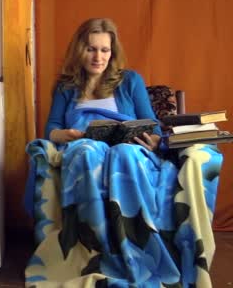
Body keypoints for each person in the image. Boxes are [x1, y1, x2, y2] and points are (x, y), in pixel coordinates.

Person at [23, 18, 223, 287]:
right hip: (84, 144)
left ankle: (138, 251)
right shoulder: (66, 86)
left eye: (104, 50)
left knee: (124, 156)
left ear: (112, 52)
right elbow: (52, 128)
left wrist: (152, 140)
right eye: (91, 49)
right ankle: (93, 249)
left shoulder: (130, 80)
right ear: (79, 50)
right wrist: (66, 135)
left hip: (126, 148)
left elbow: (151, 123)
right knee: (85, 152)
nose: (98, 57)